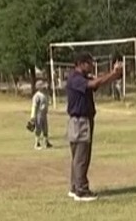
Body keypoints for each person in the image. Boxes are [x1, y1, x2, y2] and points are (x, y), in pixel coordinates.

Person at [66, 52, 123, 202]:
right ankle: (81, 190)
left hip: (81, 121)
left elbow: (99, 81)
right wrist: (112, 73)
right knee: (82, 157)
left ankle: (74, 187)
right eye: (90, 63)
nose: (92, 66)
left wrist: (115, 74)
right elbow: (94, 84)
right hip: (80, 121)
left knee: (77, 157)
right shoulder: (76, 79)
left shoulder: (81, 78)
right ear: (81, 63)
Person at [30, 83, 52, 149]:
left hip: (44, 114)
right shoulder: (37, 96)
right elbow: (34, 106)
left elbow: (47, 102)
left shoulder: (44, 94)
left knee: (45, 128)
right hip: (38, 114)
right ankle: (37, 143)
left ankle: (46, 142)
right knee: (38, 128)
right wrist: (33, 116)